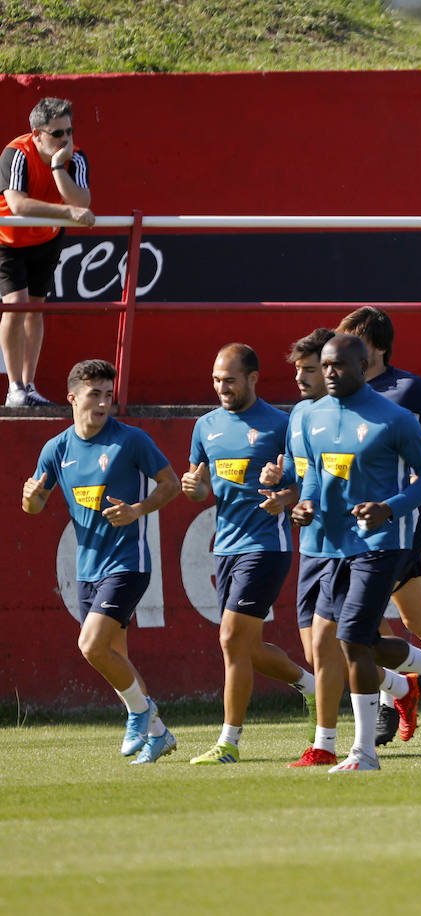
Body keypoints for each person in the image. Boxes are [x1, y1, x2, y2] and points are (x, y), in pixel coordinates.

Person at [290, 334, 421, 773]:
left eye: (339, 366)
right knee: (360, 641)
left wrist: (390, 508)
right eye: (325, 366)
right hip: (334, 547)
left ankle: (364, 752)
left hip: (383, 544)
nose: (330, 373)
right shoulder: (312, 415)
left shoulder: (394, 419)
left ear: (363, 363)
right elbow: (314, 472)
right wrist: (306, 503)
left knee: (350, 639)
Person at [22, 359, 180, 763]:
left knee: (90, 646)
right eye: (95, 394)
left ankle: (140, 713)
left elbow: (171, 484)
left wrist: (137, 510)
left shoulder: (131, 440)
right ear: (72, 398)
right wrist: (31, 496)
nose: (104, 403)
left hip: (129, 563)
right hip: (88, 568)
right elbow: (35, 504)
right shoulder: (57, 448)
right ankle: (159, 734)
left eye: (109, 395)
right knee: (115, 659)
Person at [182, 344, 316, 764]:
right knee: (246, 648)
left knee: (229, 639)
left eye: (230, 380)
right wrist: (196, 490)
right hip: (225, 547)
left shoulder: (282, 423)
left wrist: (284, 490)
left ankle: (228, 742)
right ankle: (311, 685)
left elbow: (307, 483)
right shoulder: (205, 426)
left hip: (266, 545)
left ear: (253, 379)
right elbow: (203, 485)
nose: (222, 387)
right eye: (217, 380)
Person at [336, 306, 421, 743]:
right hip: (356, 523)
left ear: (379, 347)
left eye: (356, 341)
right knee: (416, 619)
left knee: (363, 614)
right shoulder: (340, 392)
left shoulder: (405, 387)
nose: (346, 350)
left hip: (404, 519)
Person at [260, 328, 351, 767]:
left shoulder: (353, 414)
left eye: (310, 369)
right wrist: (283, 492)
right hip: (311, 544)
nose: (301, 378)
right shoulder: (296, 415)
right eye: (298, 369)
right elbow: (302, 477)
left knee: (333, 644)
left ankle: (326, 743)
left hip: (350, 545)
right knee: (323, 651)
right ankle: (416, 680)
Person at [1, 98, 95, 407]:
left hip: (46, 240)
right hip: (7, 240)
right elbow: (18, 205)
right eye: (56, 134)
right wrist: (66, 211)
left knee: (36, 308)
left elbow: (81, 203)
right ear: (36, 134)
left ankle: (29, 385)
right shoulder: (16, 153)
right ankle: (14, 387)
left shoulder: (74, 157)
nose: (65, 139)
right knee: (16, 306)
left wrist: (57, 166)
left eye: (69, 131)